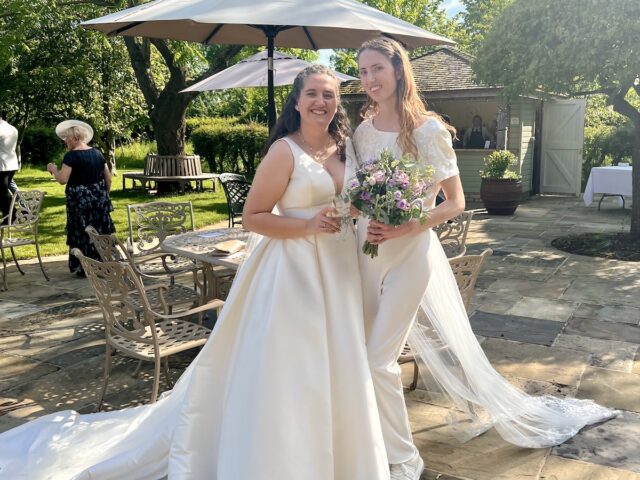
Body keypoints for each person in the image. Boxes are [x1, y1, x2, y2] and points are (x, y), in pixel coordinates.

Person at [0, 65, 390, 480]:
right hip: (294, 271)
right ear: (296, 101)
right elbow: (253, 217)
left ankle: (344, 455)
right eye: (312, 93)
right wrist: (308, 225)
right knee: (297, 363)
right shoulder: (284, 150)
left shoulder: (347, 146)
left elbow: (360, 197)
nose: (321, 102)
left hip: (342, 263)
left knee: (340, 358)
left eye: (329, 95)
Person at [352, 37, 616, 480]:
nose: (369, 79)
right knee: (361, 355)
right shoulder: (361, 130)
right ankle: (367, 441)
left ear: (398, 70)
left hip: (409, 255)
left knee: (379, 361)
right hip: (366, 253)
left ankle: (402, 460)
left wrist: (403, 225)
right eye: (362, 72)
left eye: (377, 68)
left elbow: (454, 202)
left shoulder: (428, 130)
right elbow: (359, 192)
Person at [47, 120, 115, 276]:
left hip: (79, 200)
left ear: (74, 137)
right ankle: (104, 262)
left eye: (66, 138)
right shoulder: (97, 153)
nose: (65, 141)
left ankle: (85, 266)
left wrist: (53, 169)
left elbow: (63, 179)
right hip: (98, 198)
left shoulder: (71, 156)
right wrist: (105, 194)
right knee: (100, 229)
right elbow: (108, 178)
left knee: (81, 229)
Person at [0, 113, 19, 224]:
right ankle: (13, 213)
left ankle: (10, 216)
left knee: (2, 193)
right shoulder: (12, 128)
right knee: (3, 192)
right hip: (11, 163)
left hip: (2, 165)